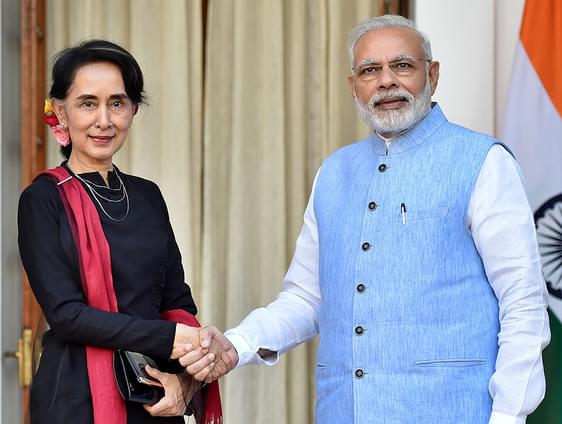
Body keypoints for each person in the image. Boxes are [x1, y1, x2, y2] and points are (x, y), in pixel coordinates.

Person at [179, 15, 551, 423]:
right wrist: (236, 345)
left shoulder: (483, 162)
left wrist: (508, 417)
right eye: (370, 70)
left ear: (433, 74)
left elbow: (523, 303)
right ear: (353, 85)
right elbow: (307, 298)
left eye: (402, 65)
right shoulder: (334, 173)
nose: (386, 81)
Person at [18, 39, 224, 424]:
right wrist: (170, 339)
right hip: (76, 399)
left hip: (153, 393)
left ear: (133, 110)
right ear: (60, 112)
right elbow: (66, 314)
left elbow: (177, 301)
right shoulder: (43, 198)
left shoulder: (147, 196)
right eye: (87, 103)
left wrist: (183, 380)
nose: (104, 120)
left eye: (117, 103)